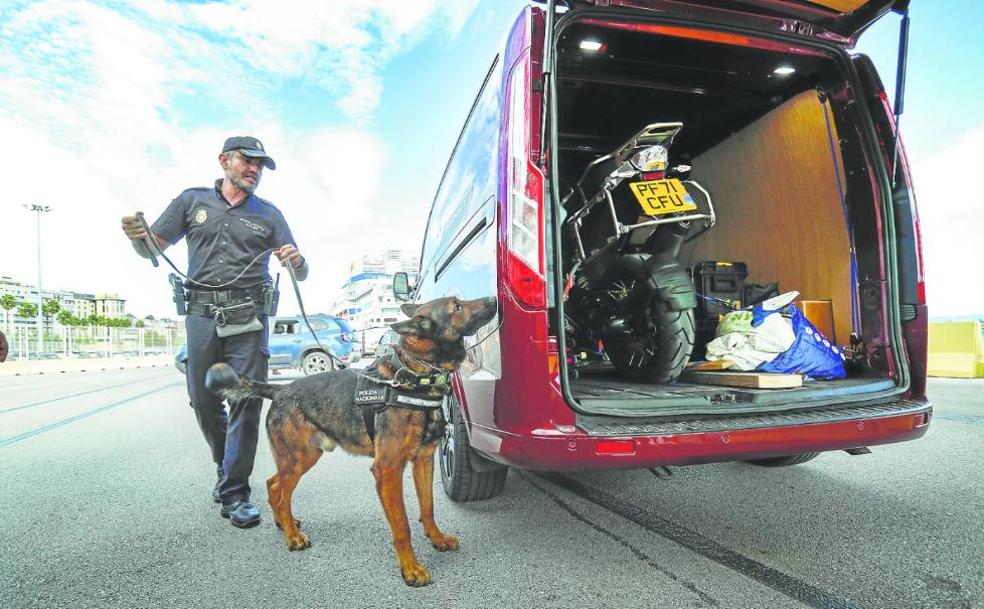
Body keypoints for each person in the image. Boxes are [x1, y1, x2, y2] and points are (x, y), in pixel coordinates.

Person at [121, 136, 308, 528]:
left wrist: (297, 259)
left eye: (261, 165)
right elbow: (152, 249)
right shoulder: (192, 202)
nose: (254, 170)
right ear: (224, 160)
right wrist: (137, 237)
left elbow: (300, 271)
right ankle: (226, 469)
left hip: (249, 321)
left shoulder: (270, 216)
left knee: (245, 401)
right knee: (203, 402)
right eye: (248, 161)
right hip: (201, 317)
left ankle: (235, 492)